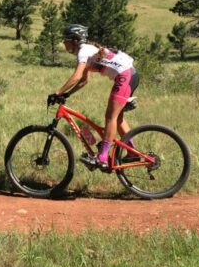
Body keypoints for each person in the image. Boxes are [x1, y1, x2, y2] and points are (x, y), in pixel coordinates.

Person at [48, 24, 139, 170]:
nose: (64, 43)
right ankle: (132, 153)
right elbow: (84, 81)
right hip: (129, 75)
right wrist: (66, 94)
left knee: (110, 117)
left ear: (75, 40)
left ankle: (102, 157)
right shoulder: (87, 51)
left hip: (125, 76)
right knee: (117, 117)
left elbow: (76, 76)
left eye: (66, 39)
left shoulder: (83, 51)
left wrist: (57, 92)